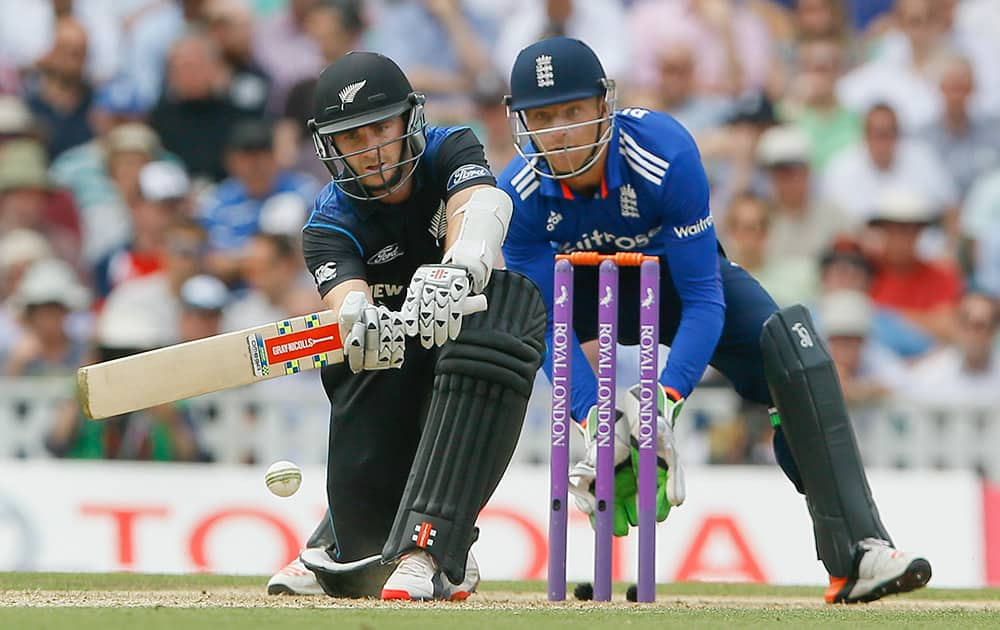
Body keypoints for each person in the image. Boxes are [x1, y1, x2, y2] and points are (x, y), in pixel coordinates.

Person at [498, 37, 930, 605]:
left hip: (676, 284)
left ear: (603, 106)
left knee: (792, 351)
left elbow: (704, 296)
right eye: (543, 117)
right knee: (496, 322)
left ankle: (858, 553)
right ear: (521, 121)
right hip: (578, 292)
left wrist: (664, 399)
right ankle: (433, 549)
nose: (559, 133)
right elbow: (550, 323)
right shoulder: (518, 192)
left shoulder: (664, 151)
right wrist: (591, 416)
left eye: (572, 112)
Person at [266, 51, 546, 601]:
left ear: (408, 121)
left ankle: (432, 547)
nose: (369, 149)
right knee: (355, 353)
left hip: (462, 334)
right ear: (329, 147)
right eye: (351, 137)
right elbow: (345, 298)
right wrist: (358, 319)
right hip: (395, 359)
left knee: (503, 310)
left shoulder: (450, 147)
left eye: (380, 127)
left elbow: (480, 204)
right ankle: (343, 538)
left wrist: (459, 269)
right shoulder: (327, 222)